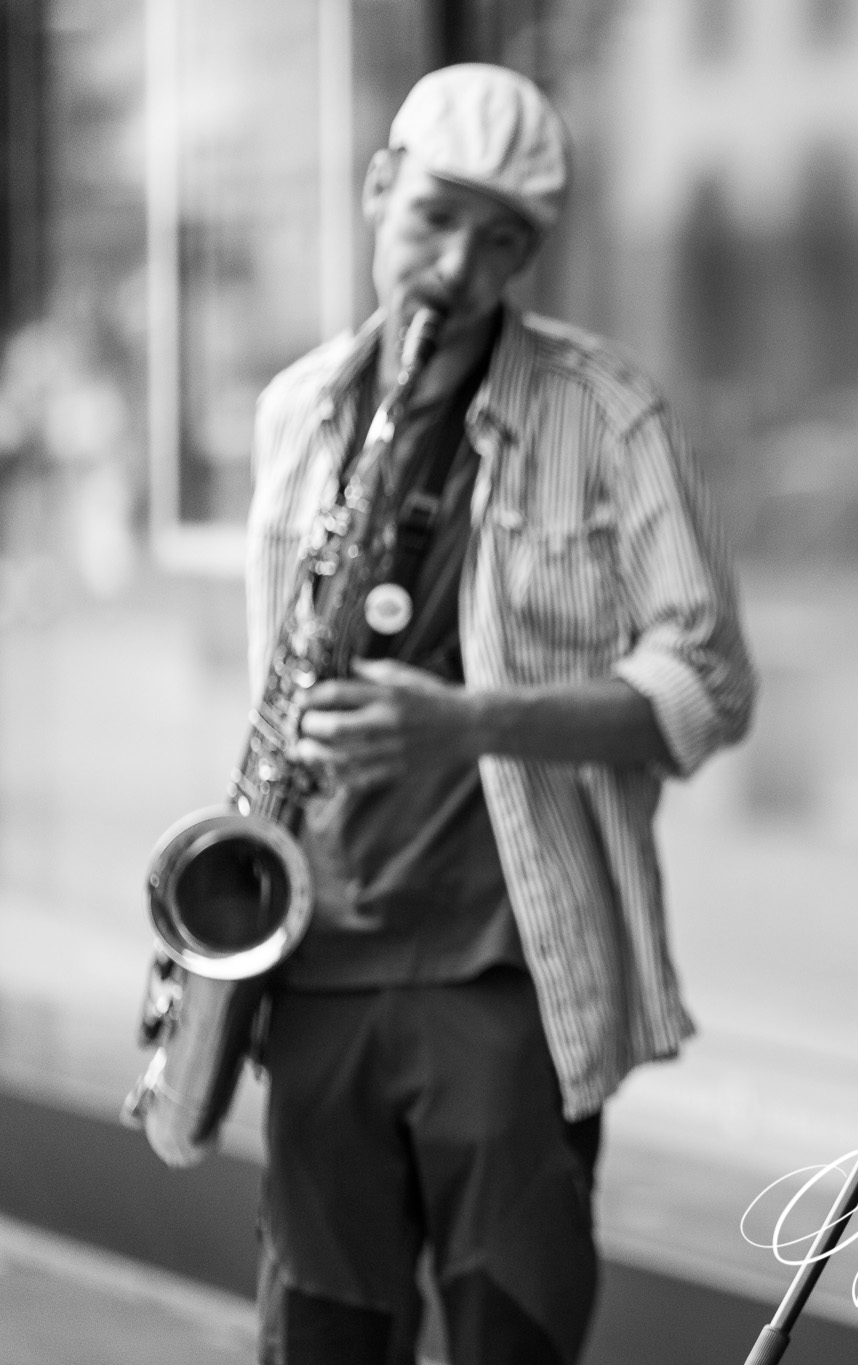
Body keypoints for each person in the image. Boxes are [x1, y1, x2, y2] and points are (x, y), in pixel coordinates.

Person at [245, 64, 754, 1364]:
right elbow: (274, 686)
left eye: (503, 241)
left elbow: (708, 685)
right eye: (435, 219)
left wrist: (470, 724)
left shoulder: (609, 409)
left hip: (504, 977)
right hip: (315, 963)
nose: (459, 268)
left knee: (509, 1340)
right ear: (378, 188)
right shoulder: (295, 411)